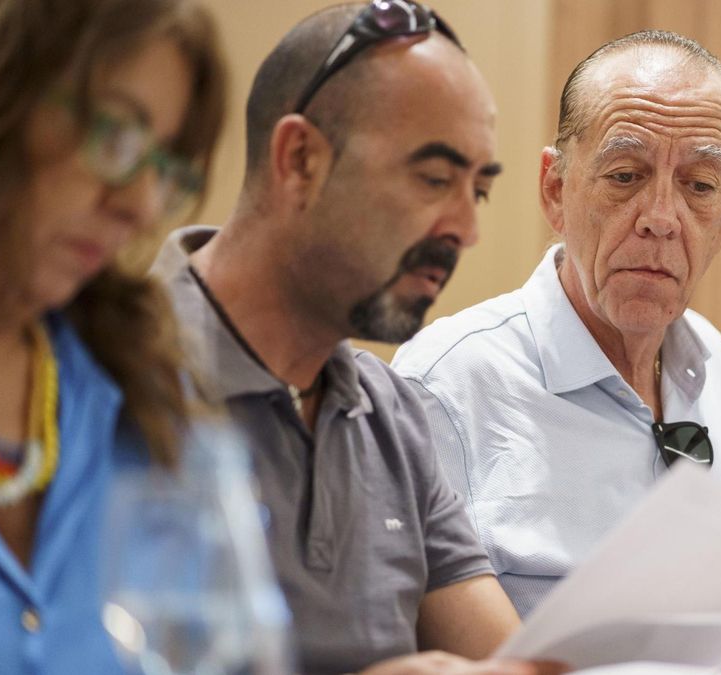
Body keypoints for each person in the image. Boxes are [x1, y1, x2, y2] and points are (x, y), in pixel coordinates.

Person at [392, 29, 721, 635]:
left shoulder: (714, 362)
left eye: (700, 186)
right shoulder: (446, 382)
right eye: (625, 175)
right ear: (554, 189)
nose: (662, 219)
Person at [151, 3, 558, 674]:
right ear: (300, 158)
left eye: (477, 191)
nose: (465, 228)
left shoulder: (391, 412)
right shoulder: (103, 373)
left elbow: (510, 665)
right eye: (433, 178)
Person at [0, 0, 225, 672]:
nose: (142, 205)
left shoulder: (148, 393)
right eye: (117, 137)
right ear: (10, 92)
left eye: (167, 169)